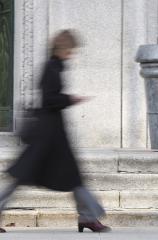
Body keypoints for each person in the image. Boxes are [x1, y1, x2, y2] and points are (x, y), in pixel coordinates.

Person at [0, 30, 110, 233]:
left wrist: (67, 99)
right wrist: (70, 99)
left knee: (71, 177)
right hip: (48, 135)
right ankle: (88, 217)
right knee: (64, 177)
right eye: (71, 50)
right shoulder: (51, 68)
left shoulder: (54, 67)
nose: (72, 54)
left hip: (51, 133)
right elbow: (49, 99)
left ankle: (88, 217)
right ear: (64, 49)